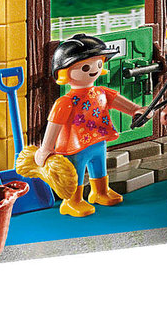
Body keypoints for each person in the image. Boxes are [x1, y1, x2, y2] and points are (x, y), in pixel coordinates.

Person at [35, 33, 147, 217]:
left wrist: (137, 110)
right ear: (64, 72)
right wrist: (46, 148)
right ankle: (72, 201)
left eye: (98, 64)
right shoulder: (65, 102)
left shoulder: (101, 92)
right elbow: (54, 125)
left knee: (99, 167)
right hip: (74, 148)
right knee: (76, 174)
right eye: (85, 67)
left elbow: (122, 104)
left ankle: (100, 192)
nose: (94, 70)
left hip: (98, 141)